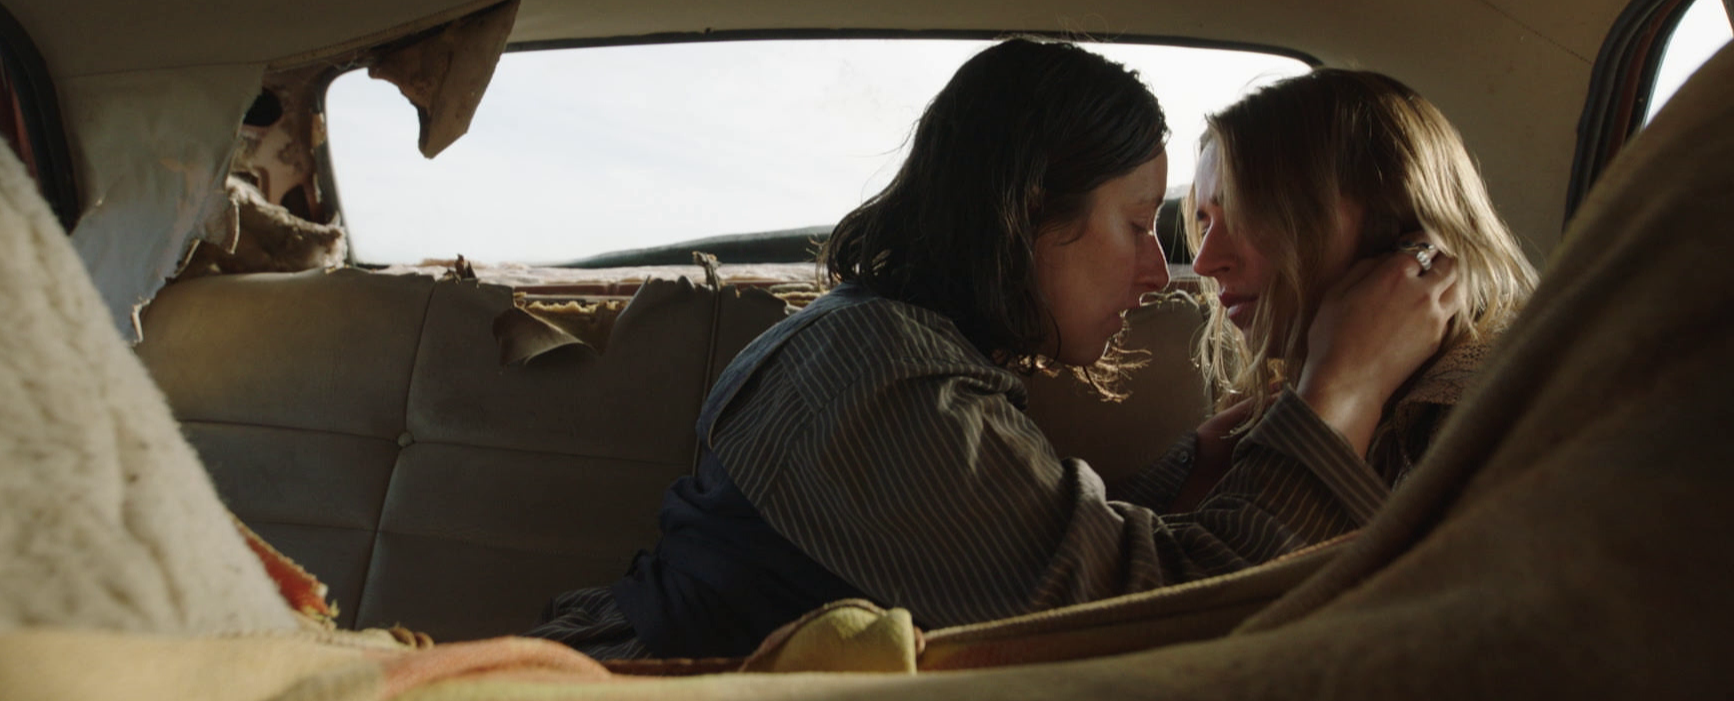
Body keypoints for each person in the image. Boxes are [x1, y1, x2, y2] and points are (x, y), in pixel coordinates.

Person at [529, 41, 1458, 661]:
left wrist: (1196, 466)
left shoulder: (889, 350)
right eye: (1140, 224)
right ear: (1027, 213)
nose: (1162, 272)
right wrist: (1343, 391)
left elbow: (1014, 555)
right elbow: (1165, 619)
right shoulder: (879, 380)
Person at [1119, 69, 1538, 514]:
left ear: (1389, 222)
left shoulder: (1482, 420)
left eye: (1251, 214)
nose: (1205, 262)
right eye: (1205, 225)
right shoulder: (1286, 399)